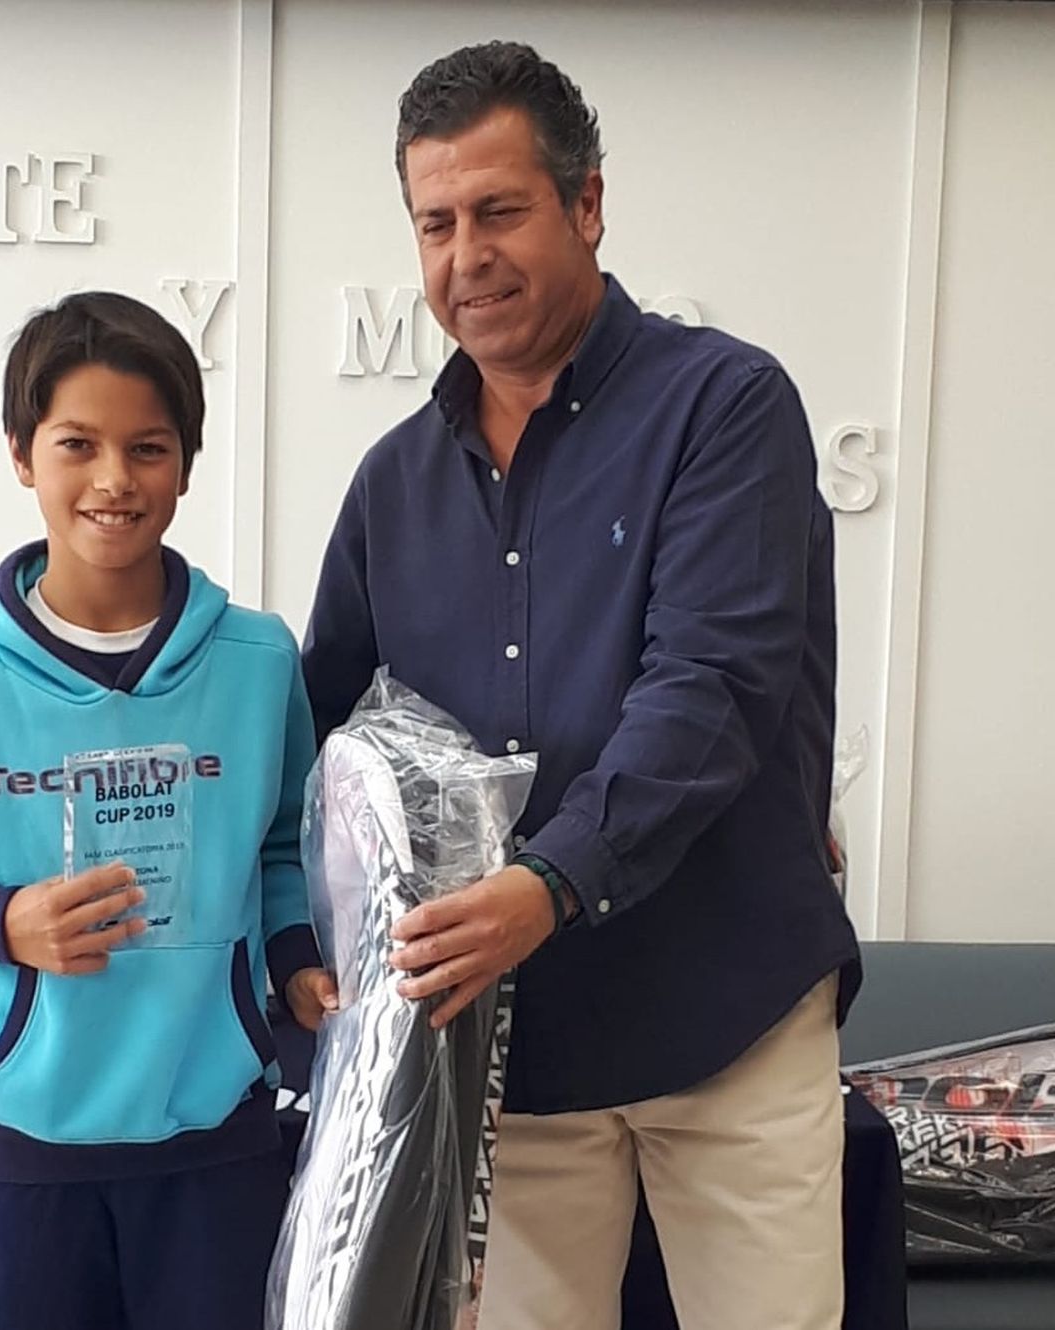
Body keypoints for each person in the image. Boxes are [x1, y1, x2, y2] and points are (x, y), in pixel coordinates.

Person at [302, 41, 861, 1330]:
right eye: (434, 223)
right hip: (510, 1050)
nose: (465, 258)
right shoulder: (394, 482)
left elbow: (712, 688)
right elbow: (327, 734)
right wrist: (299, 936)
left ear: (587, 204)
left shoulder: (722, 406)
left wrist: (545, 885)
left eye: (499, 211)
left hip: (726, 1015)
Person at [0, 291, 336, 1330]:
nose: (113, 479)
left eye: (147, 447)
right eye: (77, 444)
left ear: (187, 463)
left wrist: (293, 960)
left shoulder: (256, 660)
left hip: (217, 1144)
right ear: (22, 454)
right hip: (26, 1150)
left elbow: (286, 841)